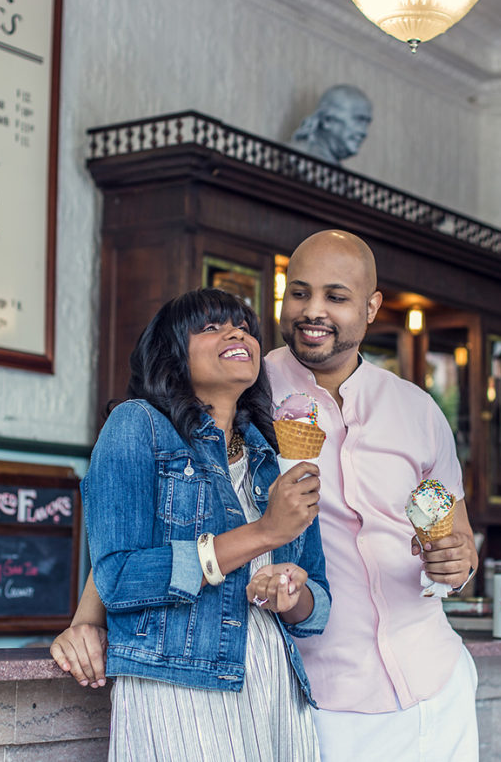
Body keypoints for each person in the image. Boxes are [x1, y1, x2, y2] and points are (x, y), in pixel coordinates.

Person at [51, 288, 330, 761]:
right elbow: (118, 576)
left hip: (276, 688)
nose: (237, 332)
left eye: (243, 325)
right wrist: (264, 533)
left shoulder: (273, 456)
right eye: (211, 326)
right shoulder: (137, 425)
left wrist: (292, 593)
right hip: (180, 684)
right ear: (172, 355)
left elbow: (318, 603)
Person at [266, 229, 479, 761]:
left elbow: (459, 538)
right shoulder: (247, 390)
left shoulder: (418, 410)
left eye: (336, 297)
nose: (313, 310)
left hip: (438, 683)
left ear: (371, 307)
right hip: (322, 701)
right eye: (299, 292)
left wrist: (458, 562)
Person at [289, 85, 373, 165]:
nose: (364, 133)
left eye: (366, 124)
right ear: (327, 120)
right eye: (359, 120)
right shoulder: (294, 156)